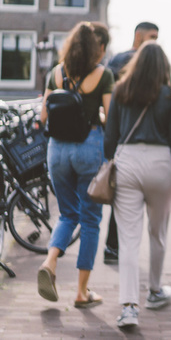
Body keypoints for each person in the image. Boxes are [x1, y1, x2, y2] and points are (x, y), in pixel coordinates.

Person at [104, 41, 171, 328]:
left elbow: (110, 137)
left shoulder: (121, 91)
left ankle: (129, 308)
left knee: (128, 239)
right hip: (161, 164)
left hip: (128, 162)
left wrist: (109, 164)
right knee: (157, 233)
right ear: (164, 67)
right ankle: (155, 291)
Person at [37, 22, 115, 307]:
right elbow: (112, 116)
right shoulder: (102, 74)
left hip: (56, 151)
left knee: (67, 214)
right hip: (88, 148)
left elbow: (44, 117)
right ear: (96, 48)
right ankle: (82, 292)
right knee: (91, 220)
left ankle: (50, 261)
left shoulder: (55, 73)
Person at [103, 21, 159, 265]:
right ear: (138, 36)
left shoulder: (115, 62)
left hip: (119, 137)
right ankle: (125, 250)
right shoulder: (150, 64)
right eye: (151, 36)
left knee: (121, 195)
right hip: (138, 139)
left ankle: (112, 247)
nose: (155, 42)